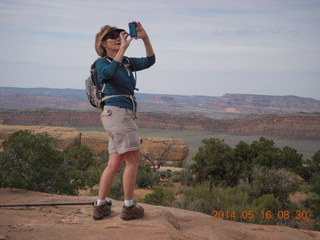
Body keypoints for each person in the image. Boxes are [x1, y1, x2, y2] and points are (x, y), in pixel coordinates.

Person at [92, 21, 155, 221]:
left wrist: (145, 38)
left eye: (121, 35)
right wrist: (121, 52)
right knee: (133, 160)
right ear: (103, 43)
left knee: (114, 162)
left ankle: (101, 205)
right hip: (117, 114)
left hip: (118, 115)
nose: (119, 38)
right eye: (113, 36)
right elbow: (108, 75)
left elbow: (150, 60)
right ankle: (129, 207)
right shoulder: (101, 62)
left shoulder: (127, 62)